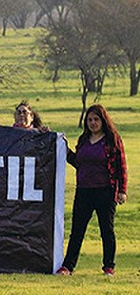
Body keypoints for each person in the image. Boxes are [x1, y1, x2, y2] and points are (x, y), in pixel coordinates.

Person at [56, 104, 128, 276]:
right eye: (89, 120)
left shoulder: (112, 140)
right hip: (83, 191)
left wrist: (122, 190)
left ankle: (109, 266)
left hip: (105, 191)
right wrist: (64, 150)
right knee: (77, 231)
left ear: (103, 120)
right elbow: (78, 163)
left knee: (106, 230)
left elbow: (121, 166)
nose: (93, 123)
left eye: (96, 119)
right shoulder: (83, 140)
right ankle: (68, 267)